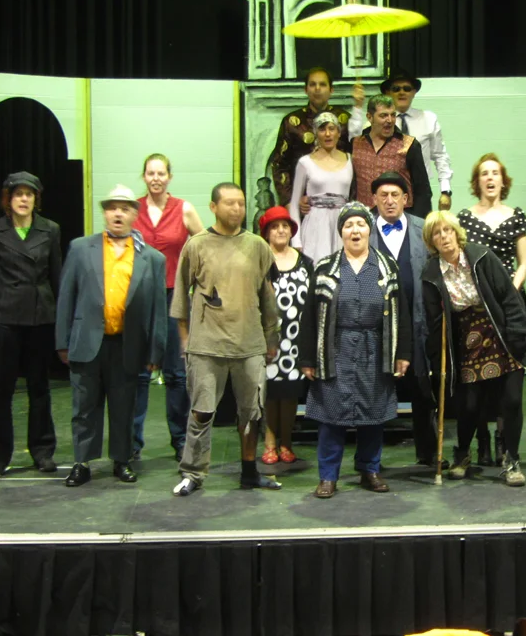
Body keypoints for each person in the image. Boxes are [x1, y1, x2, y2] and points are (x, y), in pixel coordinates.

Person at [172, 183, 283, 496]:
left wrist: (271, 338)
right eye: (230, 203)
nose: (237, 209)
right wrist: (185, 339)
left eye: (241, 203)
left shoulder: (257, 246)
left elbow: (267, 296)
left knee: (251, 413)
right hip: (206, 345)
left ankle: (249, 472)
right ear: (213, 207)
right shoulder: (197, 245)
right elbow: (180, 295)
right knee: (201, 411)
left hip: (249, 345)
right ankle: (193, 473)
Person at [297, 203, 412, 498]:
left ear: (369, 230)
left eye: (361, 224)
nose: (355, 230)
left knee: (373, 415)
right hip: (335, 350)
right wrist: (307, 358)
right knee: (330, 417)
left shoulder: (387, 267)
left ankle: (369, 470)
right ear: (341, 232)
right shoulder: (325, 267)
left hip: (376, 349)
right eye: (349, 225)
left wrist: (402, 353)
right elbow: (309, 317)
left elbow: (402, 313)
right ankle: (328, 476)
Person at [56, 185, 167, 487]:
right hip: (87, 341)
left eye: (124, 208)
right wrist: (63, 341)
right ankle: (82, 462)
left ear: (134, 214)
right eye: (112, 208)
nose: (118, 213)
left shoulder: (152, 258)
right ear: (105, 213)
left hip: (127, 344)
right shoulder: (81, 248)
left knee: (124, 407)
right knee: (84, 407)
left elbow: (158, 308)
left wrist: (155, 351)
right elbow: (66, 296)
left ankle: (122, 460)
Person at [422, 211, 526, 487]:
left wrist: (518, 337)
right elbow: (435, 322)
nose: (444, 236)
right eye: (437, 233)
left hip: (502, 334)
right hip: (467, 340)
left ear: (456, 232)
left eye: (448, 230)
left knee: (511, 400)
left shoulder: (481, 256)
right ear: (431, 241)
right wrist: (437, 358)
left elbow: (509, 298)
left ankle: (512, 459)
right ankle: (462, 454)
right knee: (468, 405)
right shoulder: (431, 273)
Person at [0, 171, 63, 476]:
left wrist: (60, 319)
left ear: (36, 199)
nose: (23, 199)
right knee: (3, 388)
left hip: (40, 317)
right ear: (8, 199)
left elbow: (57, 276)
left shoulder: (50, 230)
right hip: (5, 318)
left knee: (39, 386)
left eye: (29, 194)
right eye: (18, 194)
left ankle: (42, 451)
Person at [458, 153, 526, 466]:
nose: (490, 178)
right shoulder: (464, 218)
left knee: (508, 381)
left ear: (503, 181)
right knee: (478, 382)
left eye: (495, 173)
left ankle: (504, 442)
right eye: (484, 173)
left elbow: (523, 263)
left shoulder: (516, 216)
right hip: (476, 309)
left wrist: (507, 294)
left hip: (509, 305)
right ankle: (482, 441)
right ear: (477, 182)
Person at [132, 153, 203, 462]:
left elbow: (204, 246)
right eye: (151, 173)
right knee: (138, 374)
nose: (156, 178)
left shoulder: (184, 208)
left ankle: (180, 440)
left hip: (175, 297)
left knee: (176, 373)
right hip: (139, 300)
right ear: (144, 177)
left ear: (169, 177)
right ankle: (132, 443)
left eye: (161, 173)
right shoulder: (133, 210)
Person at [367, 172, 436, 467]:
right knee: (375, 392)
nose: (389, 200)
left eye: (395, 195)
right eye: (383, 195)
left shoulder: (423, 229)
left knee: (423, 391)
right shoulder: (363, 230)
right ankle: (370, 460)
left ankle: (429, 454)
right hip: (377, 327)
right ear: (374, 199)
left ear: (406, 199)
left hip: (419, 325)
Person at [348, 68, 453, 211]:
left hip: (410, 202)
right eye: (396, 89)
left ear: (414, 92)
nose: (401, 92)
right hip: (371, 205)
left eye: (407, 88)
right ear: (388, 92)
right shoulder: (369, 128)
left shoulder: (428, 119)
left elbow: (440, 155)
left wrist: (445, 190)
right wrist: (357, 106)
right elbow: (353, 142)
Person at [259, 205, 314, 465]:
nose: (280, 231)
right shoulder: (260, 262)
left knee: (290, 393)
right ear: (266, 233)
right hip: (269, 339)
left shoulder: (306, 262)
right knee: (271, 393)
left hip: (296, 341)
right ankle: (269, 443)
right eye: (274, 227)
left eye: (285, 226)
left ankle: (286, 444)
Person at [266, 67, 351, 205]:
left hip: (339, 198)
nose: (317, 89)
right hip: (302, 201)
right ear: (306, 89)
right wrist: (289, 201)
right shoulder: (292, 122)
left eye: (322, 84)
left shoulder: (344, 120)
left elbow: (355, 162)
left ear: (331, 89)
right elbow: (280, 164)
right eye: (312, 84)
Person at [348, 94, 432, 217]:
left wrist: (419, 222)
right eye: (383, 115)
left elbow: (422, 190)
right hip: (364, 218)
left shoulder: (409, 145)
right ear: (370, 117)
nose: (390, 120)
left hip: (401, 218)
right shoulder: (355, 144)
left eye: (393, 115)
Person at [288, 112, 354, 264]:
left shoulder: (350, 160)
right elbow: (294, 203)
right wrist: (296, 240)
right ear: (316, 133)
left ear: (339, 132)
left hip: (342, 223)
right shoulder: (305, 163)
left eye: (332, 129)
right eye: (322, 129)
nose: (328, 134)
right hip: (315, 225)